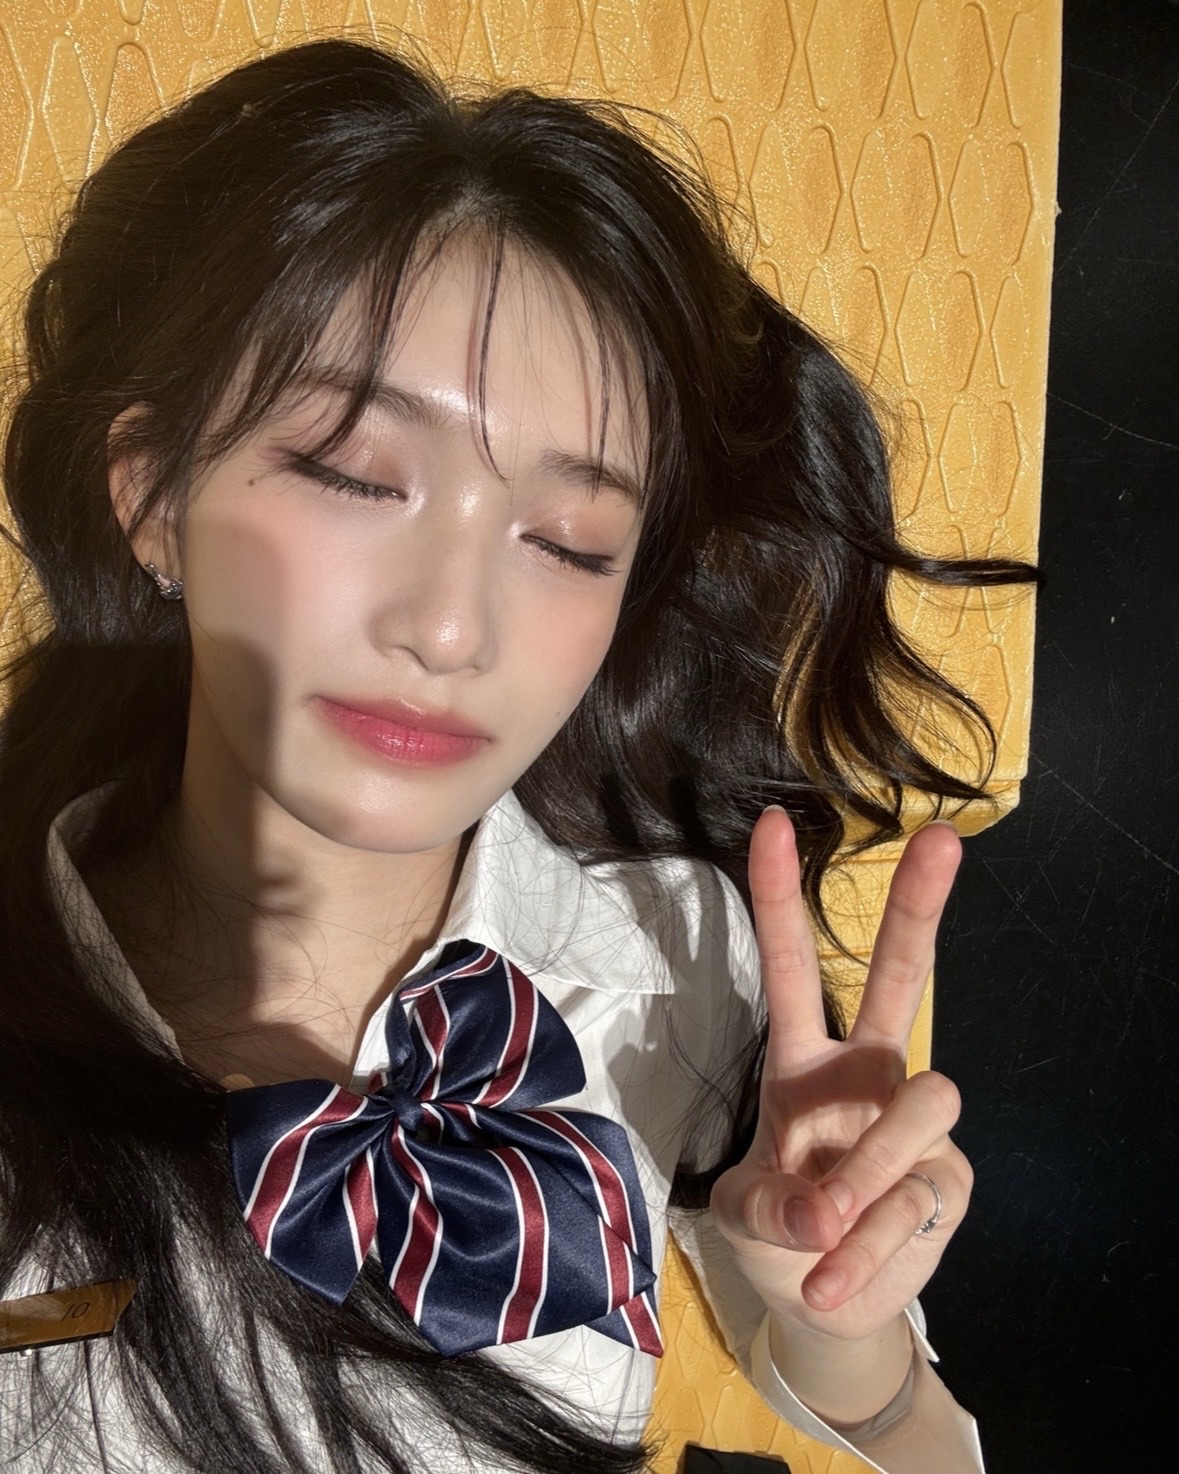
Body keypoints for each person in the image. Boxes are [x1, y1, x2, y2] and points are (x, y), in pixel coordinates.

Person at [0, 36, 1034, 1474]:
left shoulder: (673, 965)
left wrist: (842, 1329)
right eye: (357, 473)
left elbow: (917, 1451)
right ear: (152, 495)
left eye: (567, 540)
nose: (448, 627)